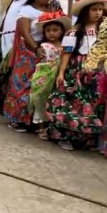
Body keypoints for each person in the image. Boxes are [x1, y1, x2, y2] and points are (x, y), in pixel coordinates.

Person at [45, 0, 107, 151]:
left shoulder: (104, 31)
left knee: (94, 104)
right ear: (85, 11)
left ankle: (88, 140)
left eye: (100, 9)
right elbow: (66, 54)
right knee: (75, 104)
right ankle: (68, 137)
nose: (98, 13)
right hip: (77, 71)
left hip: (97, 71)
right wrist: (61, 72)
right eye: (94, 9)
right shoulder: (74, 32)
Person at [3, 0, 58, 131]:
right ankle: (19, 119)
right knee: (24, 84)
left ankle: (37, 119)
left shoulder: (53, 9)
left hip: (47, 51)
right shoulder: (26, 11)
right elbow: (26, 34)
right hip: (28, 52)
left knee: (41, 86)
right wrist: (35, 48)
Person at [27, 11, 69, 140]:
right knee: (41, 101)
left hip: (58, 77)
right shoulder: (44, 47)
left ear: (62, 31)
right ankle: (41, 127)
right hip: (45, 78)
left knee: (55, 102)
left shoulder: (65, 46)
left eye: (55, 30)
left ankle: (53, 127)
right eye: (48, 31)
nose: (51, 33)